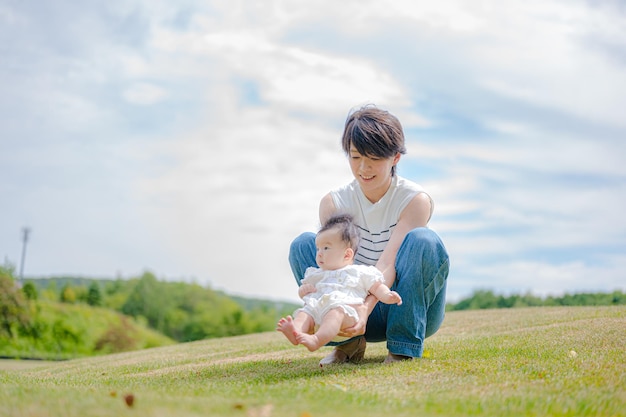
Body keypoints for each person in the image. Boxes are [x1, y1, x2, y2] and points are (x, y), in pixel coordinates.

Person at [288, 104, 449, 365]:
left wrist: (364, 308)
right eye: (355, 157)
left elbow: (387, 264)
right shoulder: (333, 202)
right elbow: (333, 271)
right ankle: (347, 344)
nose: (364, 168)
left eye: (374, 158)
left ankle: (402, 347)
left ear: (395, 157)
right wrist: (352, 311)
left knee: (424, 241)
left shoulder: (414, 200)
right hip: (348, 312)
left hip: (403, 306)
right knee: (303, 244)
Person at [277, 214, 403, 354]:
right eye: (318, 248)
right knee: (304, 313)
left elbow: (376, 286)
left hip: (346, 313)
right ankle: (296, 332)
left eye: (326, 248)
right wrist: (304, 290)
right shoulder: (316, 273)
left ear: (347, 254)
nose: (319, 253)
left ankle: (316, 340)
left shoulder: (359, 272)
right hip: (318, 311)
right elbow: (304, 293)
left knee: (335, 313)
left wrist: (387, 295)